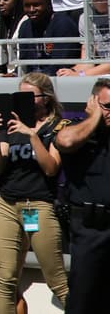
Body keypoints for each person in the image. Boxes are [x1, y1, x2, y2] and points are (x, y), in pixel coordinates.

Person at [0, 71, 69, 312]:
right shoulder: (12, 126)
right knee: (6, 278)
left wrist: (32, 135)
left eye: (31, 96)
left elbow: (51, 168)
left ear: (46, 98)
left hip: (39, 205)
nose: (25, 101)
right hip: (7, 205)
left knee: (56, 279)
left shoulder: (57, 126)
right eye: (21, 95)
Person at [55, 78, 110, 309]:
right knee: (83, 299)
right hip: (90, 228)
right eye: (107, 106)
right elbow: (65, 142)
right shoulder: (76, 127)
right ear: (93, 103)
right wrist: (95, 117)